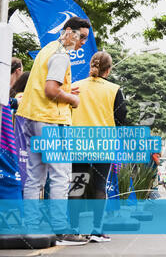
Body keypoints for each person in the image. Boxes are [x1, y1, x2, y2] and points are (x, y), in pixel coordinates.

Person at [16, 17, 90, 245]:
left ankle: (31, 226)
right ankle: (61, 229)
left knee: (35, 176)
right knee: (60, 175)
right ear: (69, 31)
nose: (83, 43)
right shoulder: (61, 55)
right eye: (82, 37)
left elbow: (46, 85)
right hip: (51, 120)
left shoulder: (48, 49)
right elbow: (50, 90)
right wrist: (72, 99)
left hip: (31, 118)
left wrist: (65, 91)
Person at [69, 51, 126, 243]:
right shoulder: (114, 89)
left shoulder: (75, 86)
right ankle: (96, 231)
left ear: (90, 66)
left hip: (78, 141)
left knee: (77, 184)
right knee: (100, 187)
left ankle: (73, 229)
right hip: (104, 143)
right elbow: (120, 117)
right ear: (108, 70)